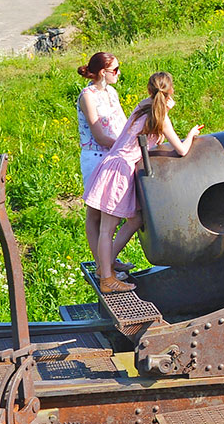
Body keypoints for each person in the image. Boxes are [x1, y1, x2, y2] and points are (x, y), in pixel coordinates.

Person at [82, 71, 201, 293]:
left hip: (112, 163)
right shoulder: (161, 116)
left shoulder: (142, 106)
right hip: (120, 170)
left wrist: (166, 106)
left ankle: (107, 263)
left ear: (149, 90)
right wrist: (192, 133)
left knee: (134, 220)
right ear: (170, 91)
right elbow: (182, 150)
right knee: (107, 228)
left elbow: (152, 112)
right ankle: (106, 278)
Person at [75, 52, 126, 269]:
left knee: (111, 214)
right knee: (96, 214)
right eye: (114, 70)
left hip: (113, 155)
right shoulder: (87, 96)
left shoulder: (111, 92)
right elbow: (99, 135)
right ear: (103, 73)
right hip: (96, 157)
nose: (118, 73)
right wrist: (125, 145)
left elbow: (123, 123)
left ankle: (107, 262)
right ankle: (102, 265)